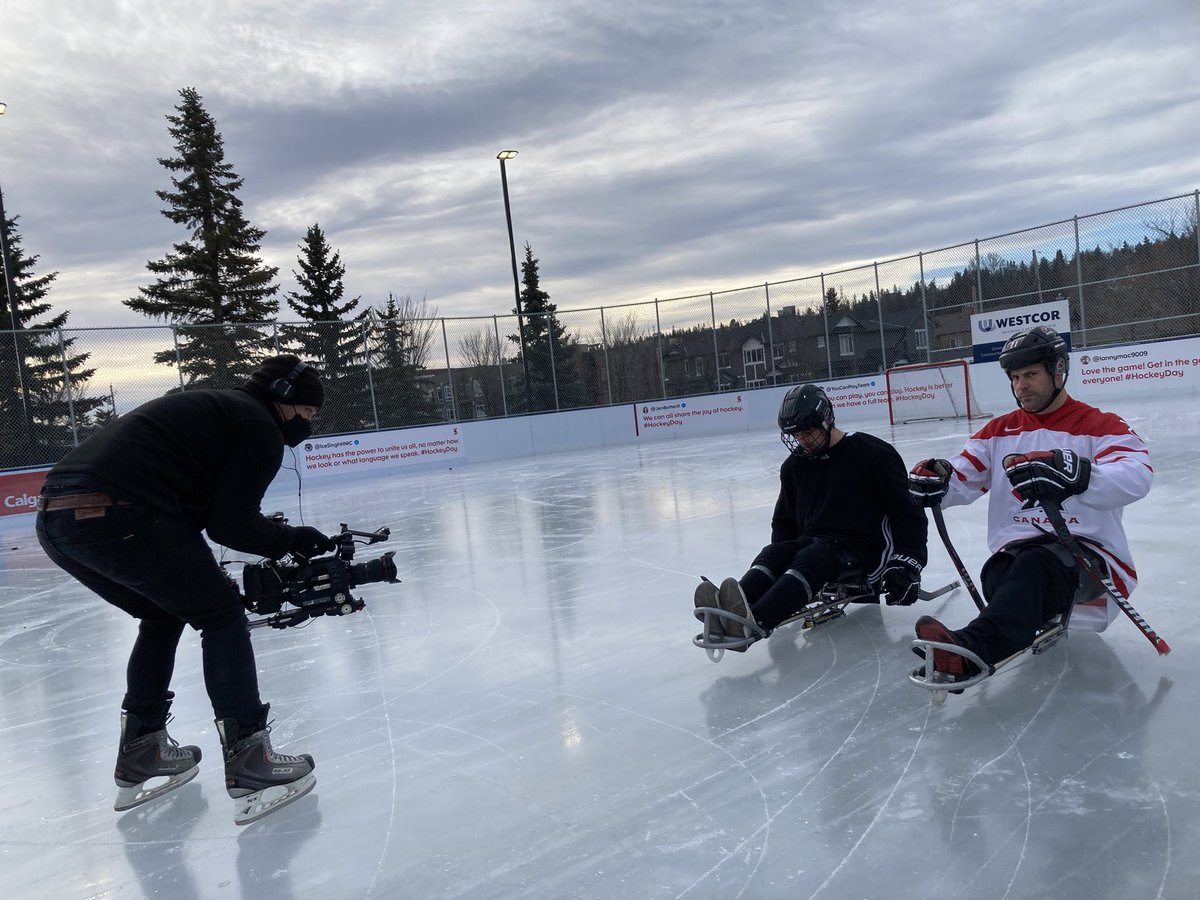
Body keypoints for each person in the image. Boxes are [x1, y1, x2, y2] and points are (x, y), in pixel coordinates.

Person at [35, 354, 338, 824]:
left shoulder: (218, 408)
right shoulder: (258, 425)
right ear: (283, 398)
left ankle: (143, 750)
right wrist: (293, 539)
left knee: (162, 613)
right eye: (306, 413)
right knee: (220, 614)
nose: (306, 424)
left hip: (57, 519)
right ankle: (250, 759)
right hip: (123, 514)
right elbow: (230, 524)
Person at [907, 325, 1152, 682]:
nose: (1022, 385)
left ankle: (970, 651)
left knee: (1035, 566)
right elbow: (963, 474)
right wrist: (938, 479)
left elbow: (1136, 475)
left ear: (1058, 371)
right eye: (1016, 377)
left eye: (1032, 374)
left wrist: (1080, 476)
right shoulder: (998, 431)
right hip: (1018, 560)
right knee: (1000, 571)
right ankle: (988, 635)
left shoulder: (1100, 425)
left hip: (1086, 558)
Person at [694, 383, 929, 650]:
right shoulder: (795, 466)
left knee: (814, 556)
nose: (803, 440)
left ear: (827, 419)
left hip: (864, 550)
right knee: (774, 554)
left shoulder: (871, 453)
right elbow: (784, 522)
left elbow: (907, 511)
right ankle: (730, 613)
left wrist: (908, 563)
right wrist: (782, 555)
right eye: (796, 435)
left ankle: (756, 620)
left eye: (808, 432)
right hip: (815, 543)